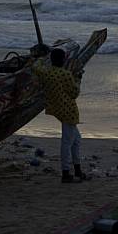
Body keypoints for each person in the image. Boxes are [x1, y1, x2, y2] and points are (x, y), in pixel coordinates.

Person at [36, 48, 87, 183]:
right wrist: (78, 79)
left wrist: (42, 57)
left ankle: (77, 170)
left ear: (51, 59)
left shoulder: (46, 72)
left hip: (58, 109)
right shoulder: (65, 74)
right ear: (63, 60)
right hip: (69, 111)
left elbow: (36, 67)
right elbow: (74, 93)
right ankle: (65, 173)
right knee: (67, 142)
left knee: (76, 140)